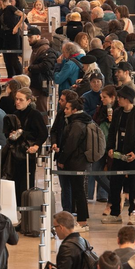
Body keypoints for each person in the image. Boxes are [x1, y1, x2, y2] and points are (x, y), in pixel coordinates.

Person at [105, 86, 135, 225]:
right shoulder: (118, 113)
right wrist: (111, 148)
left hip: (133, 156)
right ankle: (115, 213)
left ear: (127, 99)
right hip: (118, 155)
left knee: (133, 184)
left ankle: (133, 212)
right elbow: (112, 132)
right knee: (115, 183)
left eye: (120, 98)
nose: (118, 100)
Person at [57, 98, 93, 231]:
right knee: (78, 191)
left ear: (75, 110)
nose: (64, 110)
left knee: (79, 192)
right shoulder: (77, 121)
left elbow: (71, 144)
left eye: (67, 108)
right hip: (75, 162)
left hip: (76, 162)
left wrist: (61, 159)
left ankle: (83, 222)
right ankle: (81, 219)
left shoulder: (77, 124)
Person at [12, 87, 48, 209]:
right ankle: (21, 212)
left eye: (21, 100)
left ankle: (28, 213)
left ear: (28, 101)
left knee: (26, 183)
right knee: (16, 184)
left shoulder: (35, 114)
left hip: (28, 154)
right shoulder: (15, 114)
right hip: (16, 153)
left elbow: (43, 133)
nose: (17, 102)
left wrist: (36, 146)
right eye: (16, 99)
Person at [52, 89, 79, 215]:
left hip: (73, 158)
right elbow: (54, 131)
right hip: (59, 154)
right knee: (64, 186)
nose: (59, 102)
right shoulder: (60, 115)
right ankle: (66, 210)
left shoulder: (77, 121)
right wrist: (54, 142)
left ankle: (74, 209)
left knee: (74, 185)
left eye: (62, 100)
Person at [26, 26, 57, 111]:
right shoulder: (37, 47)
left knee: (41, 108)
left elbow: (45, 66)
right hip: (37, 82)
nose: (29, 39)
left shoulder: (43, 48)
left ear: (38, 36)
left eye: (31, 37)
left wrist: (30, 68)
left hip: (41, 84)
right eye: (28, 37)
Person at [0, 0, 26, 77]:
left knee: (14, 59)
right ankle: (10, 77)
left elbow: (23, 15)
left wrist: (16, 27)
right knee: (7, 59)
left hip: (13, 36)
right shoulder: (2, 10)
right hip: (5, 36)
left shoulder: (10, 8)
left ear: (0, 1)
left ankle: (20, 77)